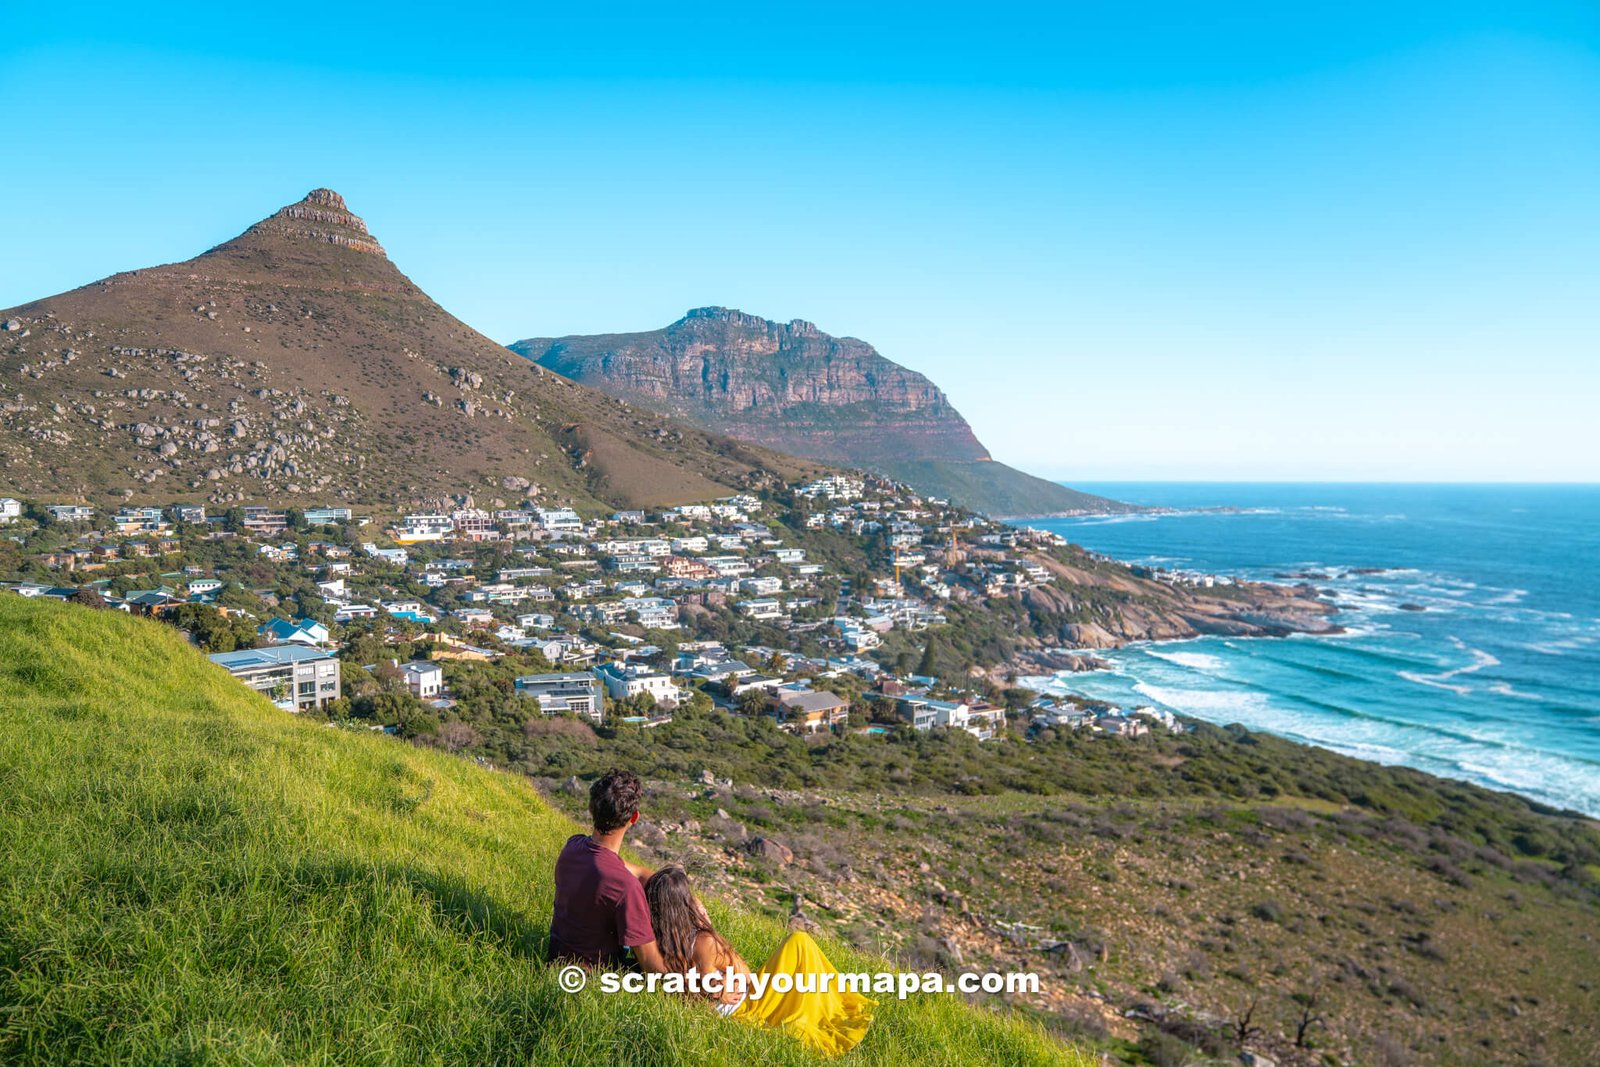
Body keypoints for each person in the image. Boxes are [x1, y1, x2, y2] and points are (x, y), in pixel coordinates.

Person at [644, 864, 875, 1057]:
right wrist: (708, 927)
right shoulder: (704, 941)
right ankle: (838, 1006)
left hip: (730, 1002)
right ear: (684, 903)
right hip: (746, 1003)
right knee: (799, 941)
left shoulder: (661, 940)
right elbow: (741, 975)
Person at [548, 769, 665, 972]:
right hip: (596, 976)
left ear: (591, 808)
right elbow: (652, 965)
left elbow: (624, 868)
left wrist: (672, 887)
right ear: (634, 817)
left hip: (557, 959)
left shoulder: (572, 847)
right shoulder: (625, 888)